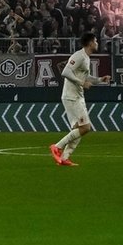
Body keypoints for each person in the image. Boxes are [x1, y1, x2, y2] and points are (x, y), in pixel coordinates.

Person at [50, 32, 101, 166]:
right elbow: (65, 72)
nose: (97, 43)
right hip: (71, 96)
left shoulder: (86, 58)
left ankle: (65, 158)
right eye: (95, 41)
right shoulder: (78, 56)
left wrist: (101, 80)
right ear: (90, 43)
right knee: (86, 127)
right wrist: (81, 83)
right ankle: (57, 147)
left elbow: (86, 78)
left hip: (77, 96)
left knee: (78, 130)